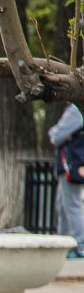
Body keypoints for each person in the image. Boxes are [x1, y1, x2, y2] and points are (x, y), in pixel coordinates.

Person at [48, 104, 84, 259]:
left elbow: (55, 136)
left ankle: (79, 243)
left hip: (71, 166)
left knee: (71, 204)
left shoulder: (76, 109)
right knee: (62, 205)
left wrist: (59, 132)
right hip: (71, 165)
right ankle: (64, 242)